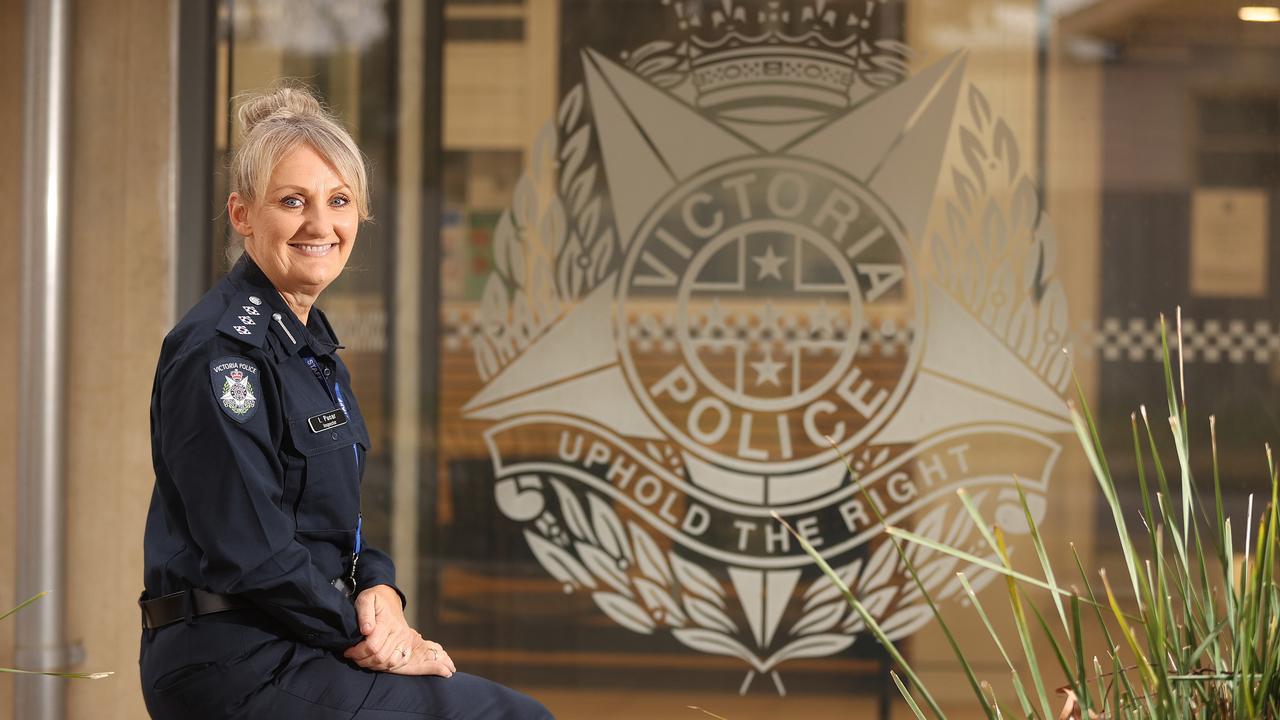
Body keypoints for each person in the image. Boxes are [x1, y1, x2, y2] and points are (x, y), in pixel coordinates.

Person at [138, 84, 553, 720]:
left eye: (338, 201)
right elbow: (252, 551)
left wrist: (381, 586)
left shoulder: (309, 350)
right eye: (291, 202)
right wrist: (382, 643)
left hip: (299, 641)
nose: (320, 225)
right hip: (236, 661)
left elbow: (333, 522)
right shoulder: (221, 354)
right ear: (242, 214)